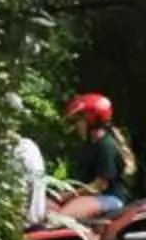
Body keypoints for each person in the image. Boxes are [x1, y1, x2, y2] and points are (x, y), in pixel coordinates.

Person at [53, 94, 133, 222]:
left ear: (92, 120)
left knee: (61, 218)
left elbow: (100, 185)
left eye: (79, 120)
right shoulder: (87, 145)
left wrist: (67, 196)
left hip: (110, 198)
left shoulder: (106, 146)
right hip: (91, 196)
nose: (76, 126)